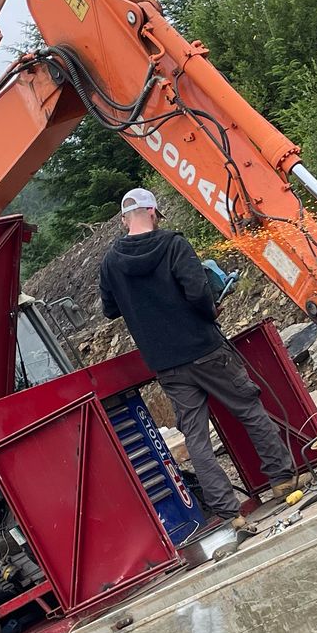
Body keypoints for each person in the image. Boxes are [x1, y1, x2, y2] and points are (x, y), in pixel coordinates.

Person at [99, 188, 301, 534]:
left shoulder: (110, 263)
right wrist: (211, 311)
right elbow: (197, 292)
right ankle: (282, 482)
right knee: (248, 408)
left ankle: (230, 513)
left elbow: (110, 309)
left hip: (167, 364)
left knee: (195, 436)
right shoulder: (174, 245)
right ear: (153, 213)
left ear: (123, 220)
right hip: (205, 349)